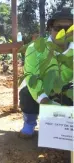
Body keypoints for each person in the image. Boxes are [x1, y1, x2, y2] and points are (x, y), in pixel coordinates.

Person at [19, 8, 73, 138]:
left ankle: (65, 129)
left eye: (69, 27)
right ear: (50, 28)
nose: (63, 32)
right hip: (42, 87)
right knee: (26, 92)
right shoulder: (35, 48)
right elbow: (31, 76)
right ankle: (29, 123)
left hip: (65, 87)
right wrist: (45, 100)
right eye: (58, 28)